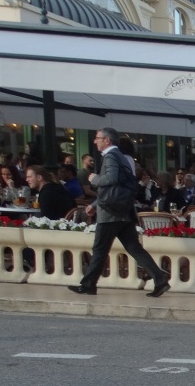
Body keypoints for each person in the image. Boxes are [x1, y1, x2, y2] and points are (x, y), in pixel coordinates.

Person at [69, 127, 170, 298]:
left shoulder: (110, 157)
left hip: (110, 212)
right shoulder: (123, 158)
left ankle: (88, 285)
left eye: (98, 138)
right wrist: (95, 203)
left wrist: (95, 179)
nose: (95, 141)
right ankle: (160, 280)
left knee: (100, 249)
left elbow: (111, 179)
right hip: (123, 210)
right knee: (134, 248)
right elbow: (118, 185)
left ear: (107, 140)